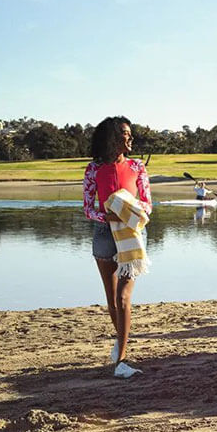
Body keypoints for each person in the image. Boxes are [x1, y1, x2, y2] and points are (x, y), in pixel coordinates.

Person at [81, 116, 151, 379]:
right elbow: (89, 208)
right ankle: (121, 346)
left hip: (131, 235)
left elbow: (147, 204)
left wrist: (127, 209)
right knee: (112, 300)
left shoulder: (137, 167)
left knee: (123, 297)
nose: (130, 138)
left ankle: (121, 361)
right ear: (111, 137)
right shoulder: (93, 169)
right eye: (124, 133)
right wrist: (107, 217)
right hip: (103, 235)